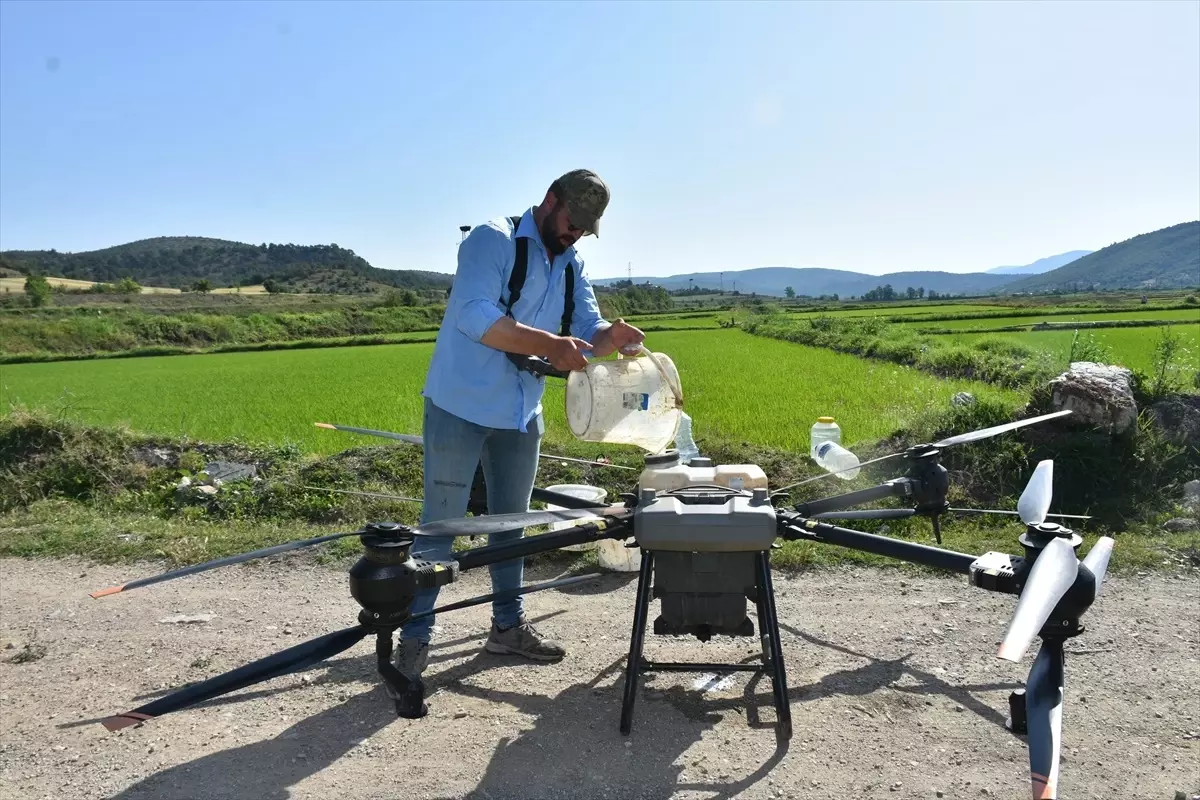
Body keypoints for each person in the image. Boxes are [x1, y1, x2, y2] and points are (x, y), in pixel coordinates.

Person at [390, 168, 645, 691]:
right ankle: (414, 638)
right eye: (571, 222)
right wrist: (552, 346)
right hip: (460, 402)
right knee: (440, 525)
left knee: (512, 523)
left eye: (584, 228)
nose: (575, 234)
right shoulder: (494, 239)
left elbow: (585, 330)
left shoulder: (572, 263)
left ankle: (507, 626)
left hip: (519, 412)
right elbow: (474, 315)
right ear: (550, 202)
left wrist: (609, 336)